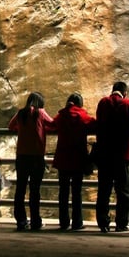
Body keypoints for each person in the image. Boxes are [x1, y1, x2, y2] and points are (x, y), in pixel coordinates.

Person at [94, 80, 129, 233]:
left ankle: (103, 223)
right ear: (125, 92)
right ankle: (121, 223)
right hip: (122, 154)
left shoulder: (103, 103)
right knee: (123, 191)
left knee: (104, 190)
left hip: (104, 154)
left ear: (112, 90)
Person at [8, 91, 54, 230]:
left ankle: (21, 221)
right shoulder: (40, 113)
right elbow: (53, 125)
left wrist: (21, 129)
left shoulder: (21, 113)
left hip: (22, 156)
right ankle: (35, 221)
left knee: (20, 189)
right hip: (36, 156)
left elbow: (11, 126)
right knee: (35, 190)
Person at [51, 92, 96, 231]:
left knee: (63, 192)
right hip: (77, 158)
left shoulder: (61, 115)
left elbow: (52, 124)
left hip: (63, 158)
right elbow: (94, 124)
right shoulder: (82, 116)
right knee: (77, 192)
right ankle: (77, 222)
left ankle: (64, 222)